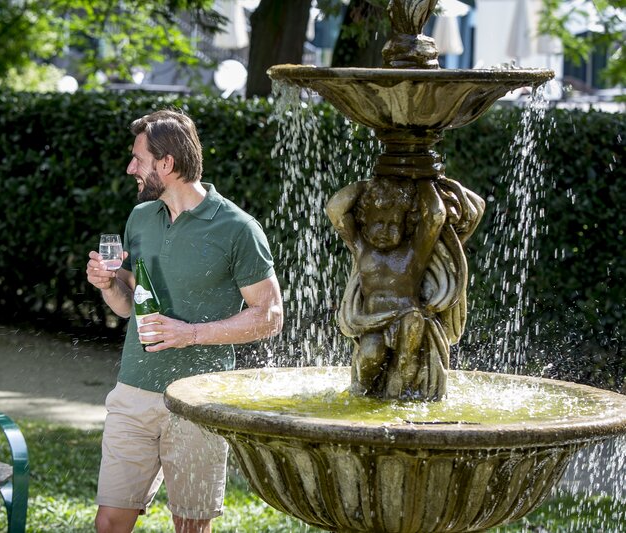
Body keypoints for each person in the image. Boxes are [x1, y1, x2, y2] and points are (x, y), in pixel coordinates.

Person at [85, 109, 284, 533]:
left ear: (167, 163)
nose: (130, 169)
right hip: (133, 392)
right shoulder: (141, 217)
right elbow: (129, 305)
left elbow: (270, 316)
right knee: (109, 522)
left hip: (198, 399)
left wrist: (190, 334)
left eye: (138, 159)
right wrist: (108, 284)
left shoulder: (238, 228)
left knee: (190, 526)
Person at [326, 175, 483, 400]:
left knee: (406, 359)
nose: (385, 230)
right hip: (374, 319)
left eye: (393, 225)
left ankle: (396, 395)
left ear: (406, 225)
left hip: (408, 315)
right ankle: (361, 392)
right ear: (364, 222)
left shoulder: (413, 253)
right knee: (370, 355)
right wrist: (368, 186)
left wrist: (425, 180)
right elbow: (335, 209)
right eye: (378, 223)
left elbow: (435, 217)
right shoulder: (361, 248)